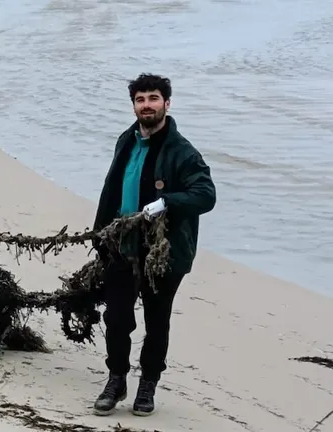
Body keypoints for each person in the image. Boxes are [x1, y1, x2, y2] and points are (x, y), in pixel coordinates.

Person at [91, 74, 216, 417]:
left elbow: (206, 195)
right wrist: (99, 234)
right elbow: (111, 188)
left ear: (167, 103)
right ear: (133, 104)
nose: (147, 105)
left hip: (163, 253)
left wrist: (167, 202)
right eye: (140, 99)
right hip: (121, 246)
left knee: (156, 320)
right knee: (116, 317)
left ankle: (147, 385)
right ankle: (116, 379)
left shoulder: (183, 152)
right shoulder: (126, 140)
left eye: (153, 98)